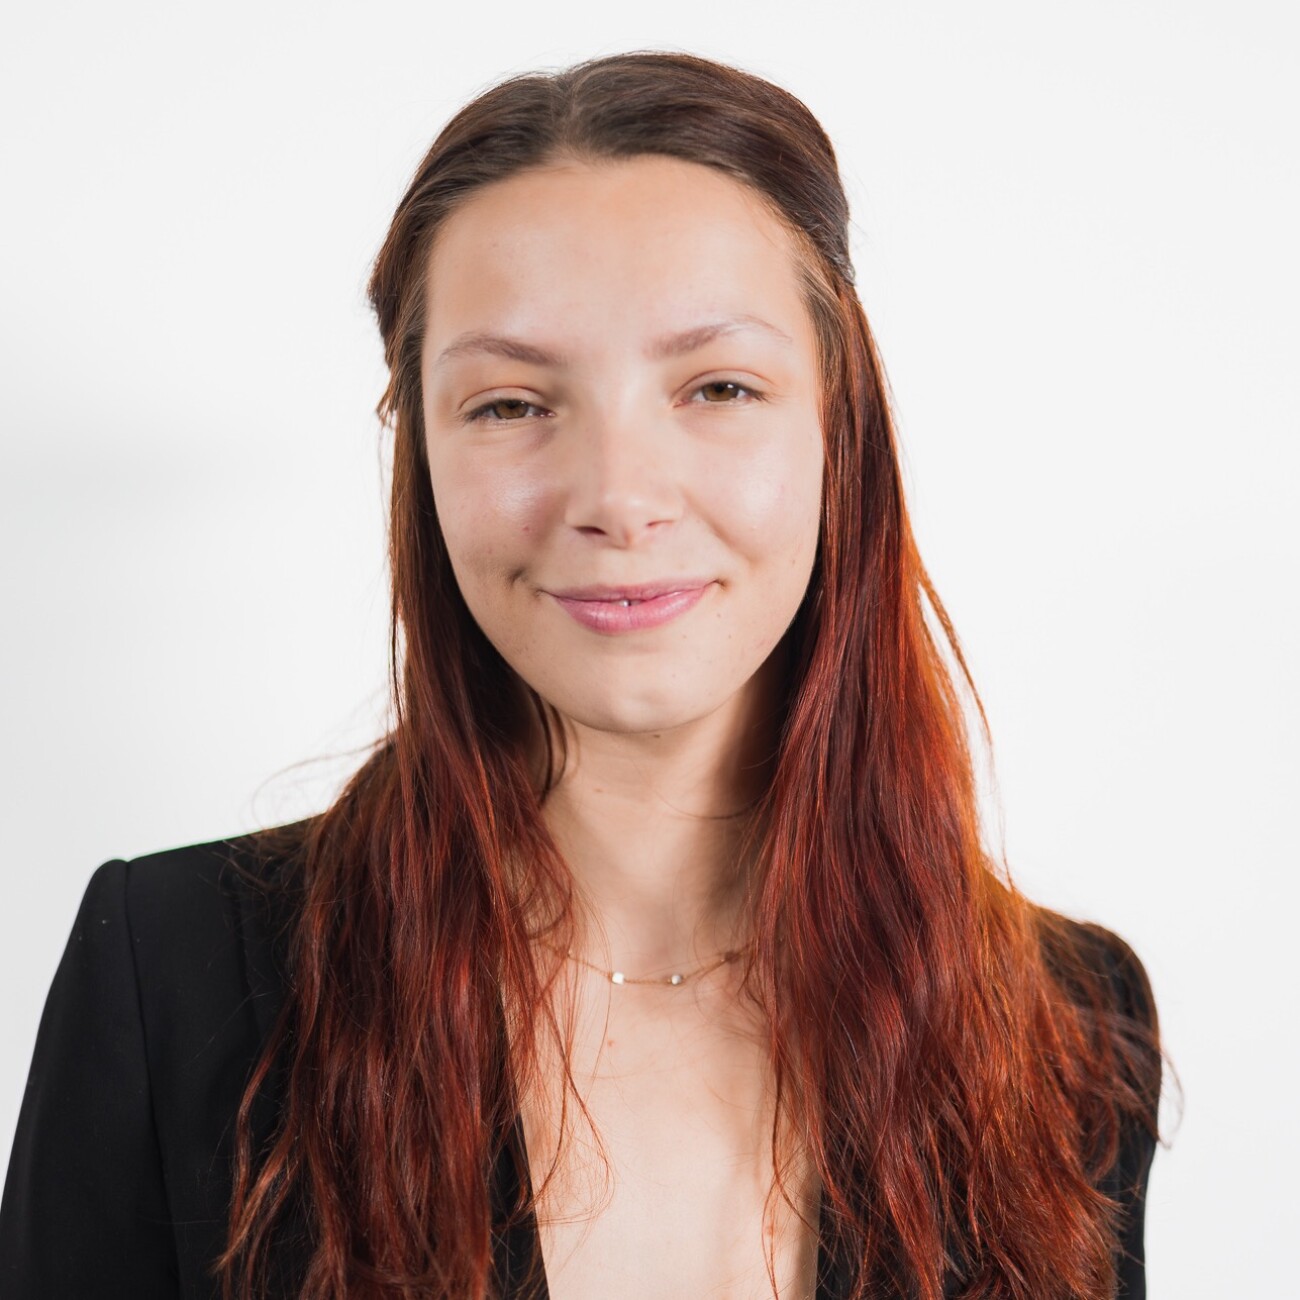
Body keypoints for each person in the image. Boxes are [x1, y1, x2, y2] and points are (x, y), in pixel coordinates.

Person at [0, 50, 1162, 1300]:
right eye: (509, 405)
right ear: (418, 451)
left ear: (840, 429)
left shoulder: (1065, 1026)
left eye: (718, 387)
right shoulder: (171, 977)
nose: (617, 496)